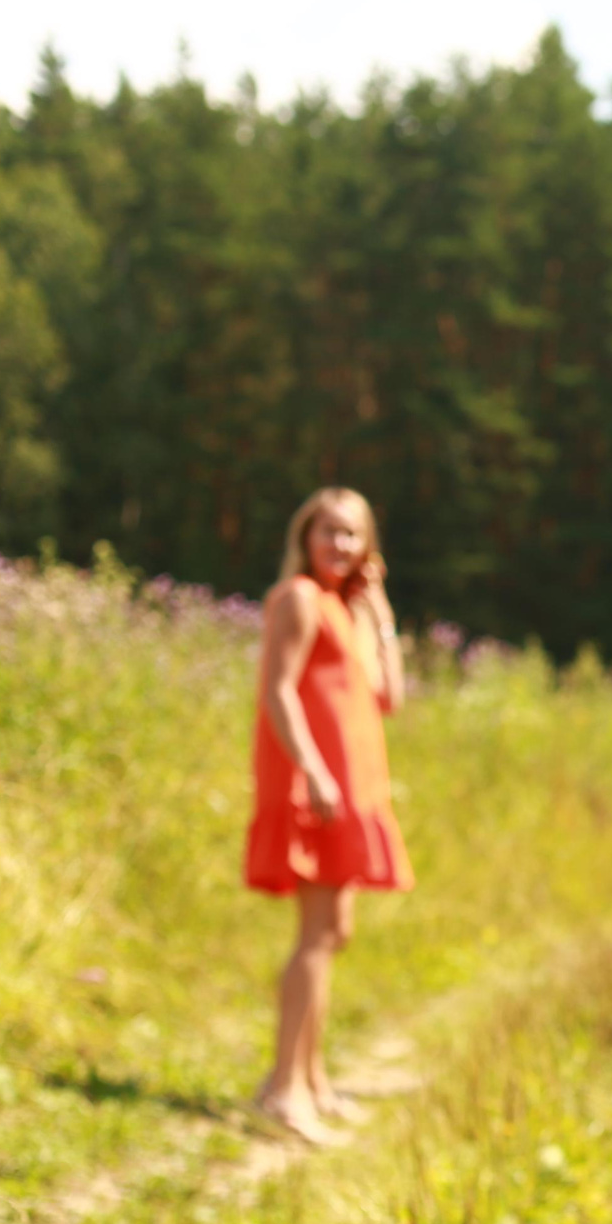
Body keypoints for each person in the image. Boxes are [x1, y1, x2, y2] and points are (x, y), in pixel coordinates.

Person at [245, 487, 412, 1145]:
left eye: (352, 534)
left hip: (356, 785)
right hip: (317, 784)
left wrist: (380, 610)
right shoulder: (299, 600)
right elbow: (276, 688)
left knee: (334, 930)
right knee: (316, 934)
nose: (339, 545)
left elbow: (389, 695)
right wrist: (311, 768)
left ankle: (309, 1079)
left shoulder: (347, 607)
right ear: (305, 534)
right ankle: (285, 1089)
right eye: (329, 532)